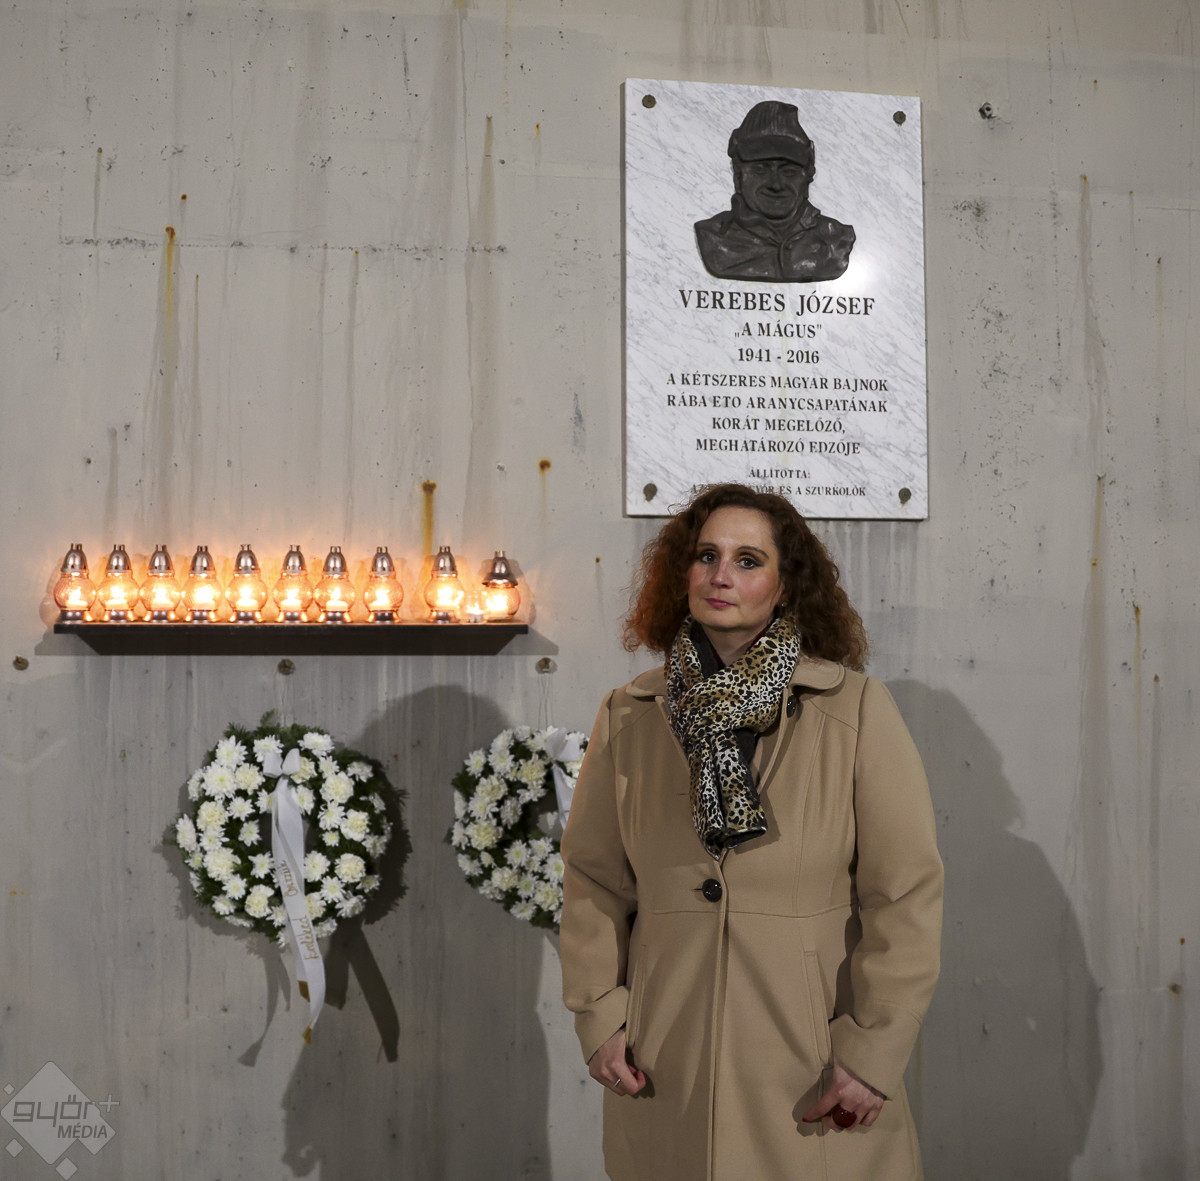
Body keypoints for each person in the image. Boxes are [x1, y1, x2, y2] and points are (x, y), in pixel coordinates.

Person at [560, 483, 942, 1180]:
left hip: (811, 1063)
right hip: (665, 1058)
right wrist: (601, 1018)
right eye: (706, 555)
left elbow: (905, 893)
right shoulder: (628, 714)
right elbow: (594, 880)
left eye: (747, 559)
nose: (720, 575)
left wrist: (872, 1052)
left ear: (785, 585)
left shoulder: (855, 710)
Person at [694, 100, 855, 283]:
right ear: (738, 176)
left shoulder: (836, 238)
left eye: (789, 172)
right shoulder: (712, 236)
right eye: (760, 170)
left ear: (808, 176)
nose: (776, 185)